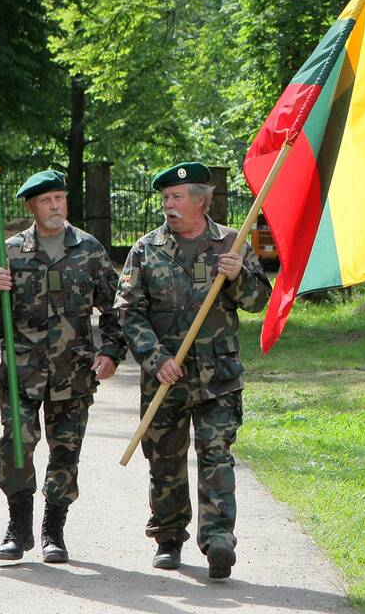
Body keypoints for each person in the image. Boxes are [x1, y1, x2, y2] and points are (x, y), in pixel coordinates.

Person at [115, 161, 271, 580]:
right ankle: (168, 538)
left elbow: (258, 301)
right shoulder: (145, 250)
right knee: (164, 459)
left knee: (215, 454)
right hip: (165, 378)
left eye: (177, 197)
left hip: (217, 376)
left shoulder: (231, 245)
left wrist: (239, 277)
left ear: (201, 201)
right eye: (165, 198)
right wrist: (156, 358)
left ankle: (219, 539)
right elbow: (129, 313)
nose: (169, 204)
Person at [0, 169, 125, 563]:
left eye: (60, 198)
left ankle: (54, 530)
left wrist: (111, 352)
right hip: (22, 372)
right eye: (46, 200)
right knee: (16, 444)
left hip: (74, 371)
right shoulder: (10, 251)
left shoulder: (88, 249)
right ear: (31, 207)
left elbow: (116, 308)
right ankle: (18, 527)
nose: (55, 206)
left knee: (65, 451)